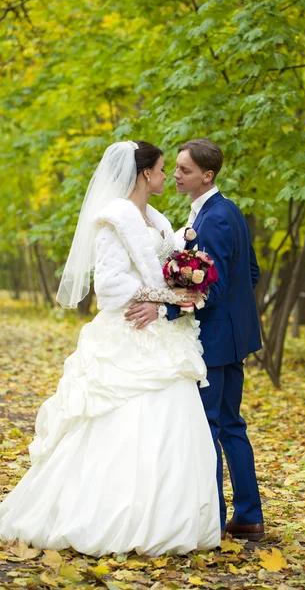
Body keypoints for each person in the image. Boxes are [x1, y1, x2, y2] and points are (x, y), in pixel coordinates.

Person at [0, 140, 220, 557]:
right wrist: (167, 297)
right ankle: (106, 516)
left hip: (161, 337)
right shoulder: (114, 220)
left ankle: (168, 518)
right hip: (127, 336)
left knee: (170, 426)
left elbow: (163, 271)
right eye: (159, 169)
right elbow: (109, 285)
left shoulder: (154, 219)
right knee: (119, 425)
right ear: (143, 174)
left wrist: (177, 289)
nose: (164, 176)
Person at [171, 139, 264, 540]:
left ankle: (217, 517)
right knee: (229, 425)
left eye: (184, 170)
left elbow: (215, 285)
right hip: (231, 335)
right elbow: (252, 273)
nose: (176, 175)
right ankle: (248, 517)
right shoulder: (224, 211)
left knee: (211, 426)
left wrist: (167, 309)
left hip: (215, 340)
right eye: (175, 168)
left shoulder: (215, 218)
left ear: (207, 175)